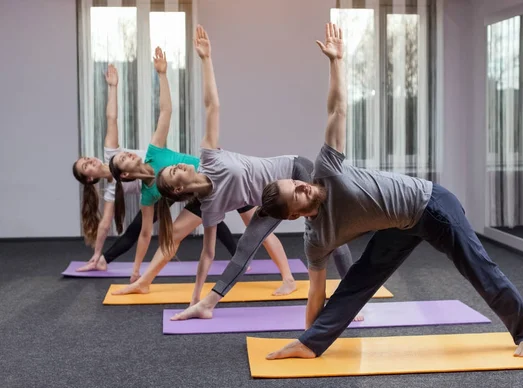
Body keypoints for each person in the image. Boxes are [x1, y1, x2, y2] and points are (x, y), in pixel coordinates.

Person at [258, 23, 523, 360]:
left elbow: (337, 110)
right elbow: (316, 291)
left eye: (296, 183)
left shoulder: (325, 171)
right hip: (398, 226)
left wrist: (336, 62)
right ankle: (310, 345)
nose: (303, 186)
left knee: (477, 267)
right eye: (297, 194)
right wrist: (307, 335)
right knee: (357, 281)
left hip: (430, 205)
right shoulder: (317, 239)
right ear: (293, 214)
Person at [116, 25, 356, 319]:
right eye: (172, 174)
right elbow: (207, 254)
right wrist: (195, 295)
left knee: (330, 232)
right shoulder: (209, 207)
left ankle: (348, 298)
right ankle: (206, 306)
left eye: (173, 167)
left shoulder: (208, 156)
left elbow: (211, 105)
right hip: (271, 200)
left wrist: (206, 60)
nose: (175, 166)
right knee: (245, 248)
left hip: (294, 171)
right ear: (179, 190)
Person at [110, 25, 301, 298]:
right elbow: (144, 234)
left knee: (256, 227)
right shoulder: (150, 193)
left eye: (125, 152)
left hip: (225, 180)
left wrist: (163, 74)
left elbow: (167, 110)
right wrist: (136, 269)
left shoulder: (154, 151)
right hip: (205, 194)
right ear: (125, 176)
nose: (128, 153)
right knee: (175, 234)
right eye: (122, 160)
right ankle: (144, 281)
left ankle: (288, 277)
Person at [72, 65, 238, 277]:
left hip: (168, 174)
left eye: (86, 159)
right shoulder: (114, 189)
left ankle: (237, 254)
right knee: (142, 227)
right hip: (157, 190)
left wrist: (113, 87)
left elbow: (112, 118)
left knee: (210, 207)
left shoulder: (115, 153)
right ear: (90, 179)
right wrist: (97, 254)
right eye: (86, 166)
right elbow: (106, 224)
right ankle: (107, 261)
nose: (90, 160)